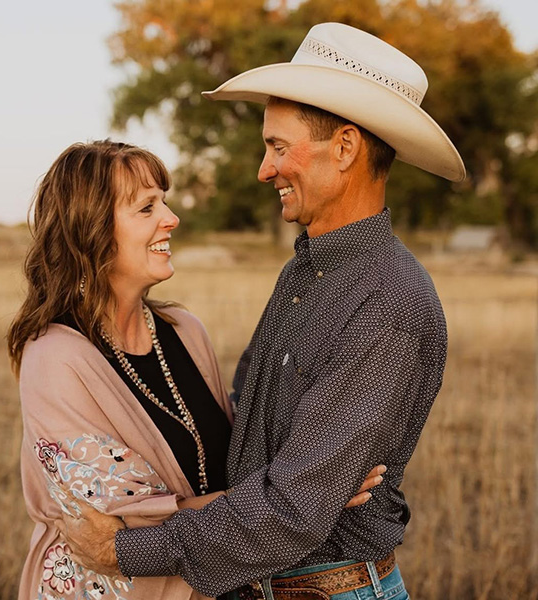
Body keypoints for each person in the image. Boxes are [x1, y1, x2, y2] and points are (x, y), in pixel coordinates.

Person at [58, 22, 465, 600]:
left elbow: (294, 512)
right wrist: (308, 475)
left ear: (344, 147)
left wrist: (123, 550)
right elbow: (248, 437)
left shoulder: (389, 301)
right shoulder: (305, 270)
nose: (263, 169)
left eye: (278, 147)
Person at [8, 139, 379, 600]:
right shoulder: (54, 356)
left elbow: (233, 467)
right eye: (146, 208)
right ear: (91, 231)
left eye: (163, 200)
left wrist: (312, 475)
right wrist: (304, 492)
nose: (171, 218)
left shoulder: (185, 331)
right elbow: (120, 528)